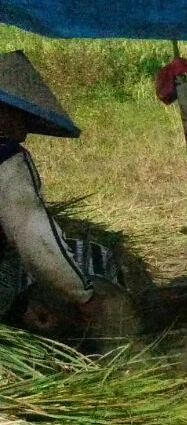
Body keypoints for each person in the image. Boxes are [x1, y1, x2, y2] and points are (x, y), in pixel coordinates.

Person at [0, 50, 124, 340]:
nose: (25, 131)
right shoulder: (6, 160)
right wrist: (83, 297)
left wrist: (19, 307)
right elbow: (35, 239)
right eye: (22, 117)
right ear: (4, 113)